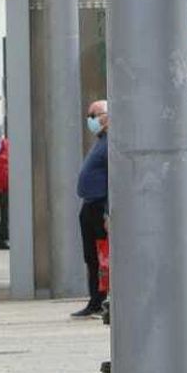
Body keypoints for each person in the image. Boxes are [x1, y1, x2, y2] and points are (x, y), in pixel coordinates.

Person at [74, 100, 110, 318]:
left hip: (98, 207)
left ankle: (102, 299)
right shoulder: (101, 141)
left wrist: (108, 211)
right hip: (89, 206)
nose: (90, 120)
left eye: (93, 115)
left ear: (106, 116)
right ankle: (95, 301)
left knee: (102, 256)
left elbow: (113, 181)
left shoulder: (110, 143)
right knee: (91, 257)